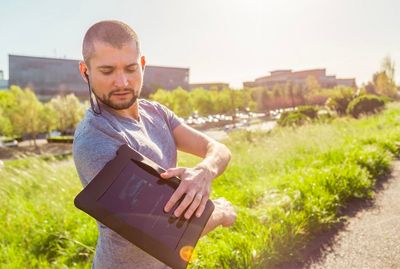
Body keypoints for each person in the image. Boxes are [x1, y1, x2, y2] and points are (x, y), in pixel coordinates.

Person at [72, 20, 236, 269]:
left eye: (130, 69)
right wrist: (221, 212)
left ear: (143, 65)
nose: (122, 82)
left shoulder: (156, 112)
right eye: (107, 71)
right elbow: (166, 230)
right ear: (86, 72)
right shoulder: (95, 140)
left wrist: (205, 171)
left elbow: (218, 149)